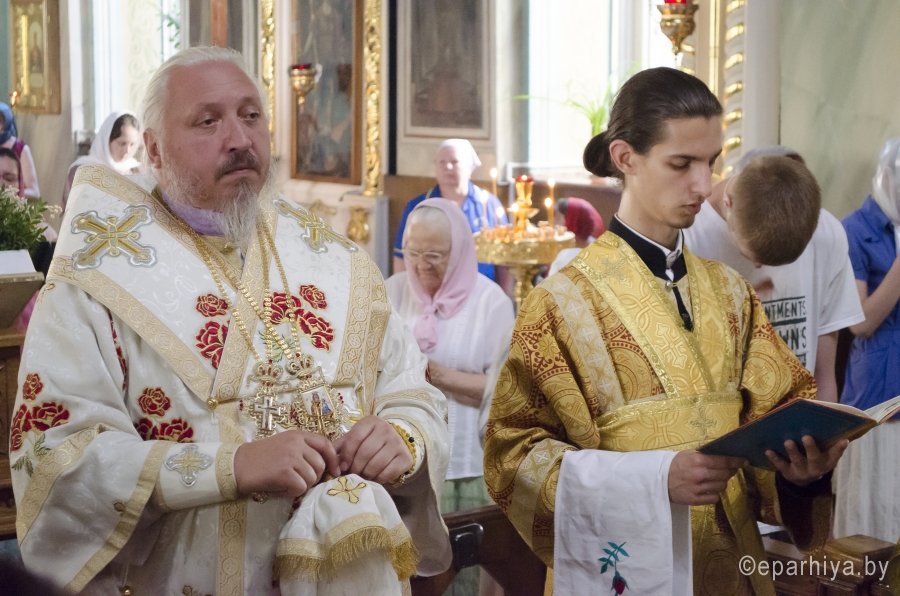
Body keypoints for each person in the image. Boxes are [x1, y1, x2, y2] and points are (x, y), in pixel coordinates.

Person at [10, 46, 451, 595]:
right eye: (208, 121)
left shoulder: (334, 259)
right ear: (154, 149)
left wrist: (404, 436)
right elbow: (58, 458)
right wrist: (231, 467)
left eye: (251, 115)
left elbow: (412, 386)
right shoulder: (96, 281)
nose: (239, 139)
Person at [483, 67, 846, 595]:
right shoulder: (561, 303)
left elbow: (776, 418)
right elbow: (512, 458)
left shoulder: (731, 293)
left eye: (711, 162)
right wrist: (654, 481)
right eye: (681, 164)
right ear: (625, 157)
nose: (704, 186)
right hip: (623, 570)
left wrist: (799, 472)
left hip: (734, 567)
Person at [386, 199, 514, 596]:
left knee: (465, 574)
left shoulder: (491, 303)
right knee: (411, 574)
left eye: (435, 256)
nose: (421, 266)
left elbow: (505, 391)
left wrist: (439, 376)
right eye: (413, 253)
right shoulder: (391, 292)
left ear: (458, 252)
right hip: (407, 464)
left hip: (469, 463)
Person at [684, 147, 864, 403]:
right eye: (751, 256)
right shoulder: (688, 237)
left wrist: (829, 425)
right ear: (728, 203)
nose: (759, 267)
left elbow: (824, 372)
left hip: (798, 417)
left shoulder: (827, 234)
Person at [833, 137, 900, 542]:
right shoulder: (855, 229)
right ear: (887, 177)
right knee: (873, 511)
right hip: (878, 388)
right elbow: (860, 323)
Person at [393, 139, 509, 283]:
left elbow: (504, 260)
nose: (447, 167)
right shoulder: (418, 206)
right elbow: (401, 256)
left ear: (469, 167)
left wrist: (504, 294)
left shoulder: (489, 204)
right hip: (431, 288)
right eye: (442, 162)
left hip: (482, 290)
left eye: (454, 162)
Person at [62, 110, 143, 210]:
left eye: (132, 144)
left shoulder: (137, 171)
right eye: (122, 144)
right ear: (106, 139)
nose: (127, 150)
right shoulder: (83, 170)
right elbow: (73, 210)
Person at [548, 197, 606, 276]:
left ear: (571, 221)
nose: (554, 222)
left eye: (558, 218)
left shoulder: (564, 259)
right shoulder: (599, 247)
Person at [0, 102, 40, 199]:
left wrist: (9, 195)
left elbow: (35, 192)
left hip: (12, 207)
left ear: (6, 121)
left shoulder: (20, 148)